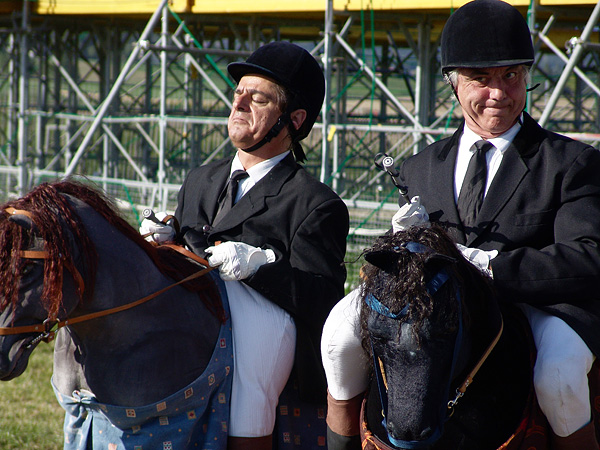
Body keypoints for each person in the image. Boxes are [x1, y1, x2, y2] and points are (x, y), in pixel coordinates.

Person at [321, 1, 600, 449]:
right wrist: (401, 243)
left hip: (542, 304)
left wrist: (492, 267)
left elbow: (588, 255)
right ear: (454, 85)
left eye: (511, 76)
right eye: (482, 80)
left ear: (527, 77)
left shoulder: (573, 163)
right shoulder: (418, 167)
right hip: (440, 304)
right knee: (338, 335)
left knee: (559, 378)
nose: (499, 93)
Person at [141, 41, 349, 450]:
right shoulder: (200, 179)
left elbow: (323, 299)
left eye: (257, 98)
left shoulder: (316, 204)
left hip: (259, 354)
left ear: (294, 119)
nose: (239, 104)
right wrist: (164, 241)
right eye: (238, 93)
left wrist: (260, 267)